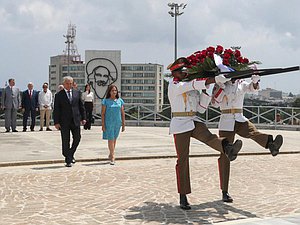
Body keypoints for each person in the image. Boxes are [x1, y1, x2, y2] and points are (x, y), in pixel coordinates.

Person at [167, 58, 243, 210]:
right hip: (180, 122)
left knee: (209, 137)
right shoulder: (175, 85)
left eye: (186, 71)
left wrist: (210, 87)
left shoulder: (190, 87)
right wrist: (212, 79)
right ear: (175, 73)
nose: (185, 73)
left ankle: (227, 148)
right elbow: (191, 84)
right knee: (183, 160)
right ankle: (183, 195)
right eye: (182, 72)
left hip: (193, 119)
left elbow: (201, 108)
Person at [212, 74, 283, 203]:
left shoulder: (241, 83)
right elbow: (215, 103)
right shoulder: (220, 84)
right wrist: (221, 86)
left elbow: (252, 88)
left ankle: (271, 144)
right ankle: (224, 191)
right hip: (226, 120)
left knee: (253, 132)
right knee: (224, 155)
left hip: (240, 117)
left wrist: (255, 81)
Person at [53, 76, 86, 167]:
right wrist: (56, 122)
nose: (69, 85)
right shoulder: (59, 95)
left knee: (77, 138)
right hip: (64, 121)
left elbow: (81, 106)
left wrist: (84, 118)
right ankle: (68, 160)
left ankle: (70, 154)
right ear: (64, 84)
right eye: (67, 83)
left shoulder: (77, 93)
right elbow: (56, 109)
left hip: (75, 120)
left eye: (71, 83)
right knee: (65, 140)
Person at [101, 85, 125, 165]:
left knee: (114, 139)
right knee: (110, 139)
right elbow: (103, 113)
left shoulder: (120, 100)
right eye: (112, 90)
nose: (114, 92)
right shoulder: (105, 101)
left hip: (117, 123)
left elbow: (122, 113)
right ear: (109, 92)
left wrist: (123, 124)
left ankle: (111, 153)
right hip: (109, 122)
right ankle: (113, 156)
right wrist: (103, 125)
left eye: (115, 90)